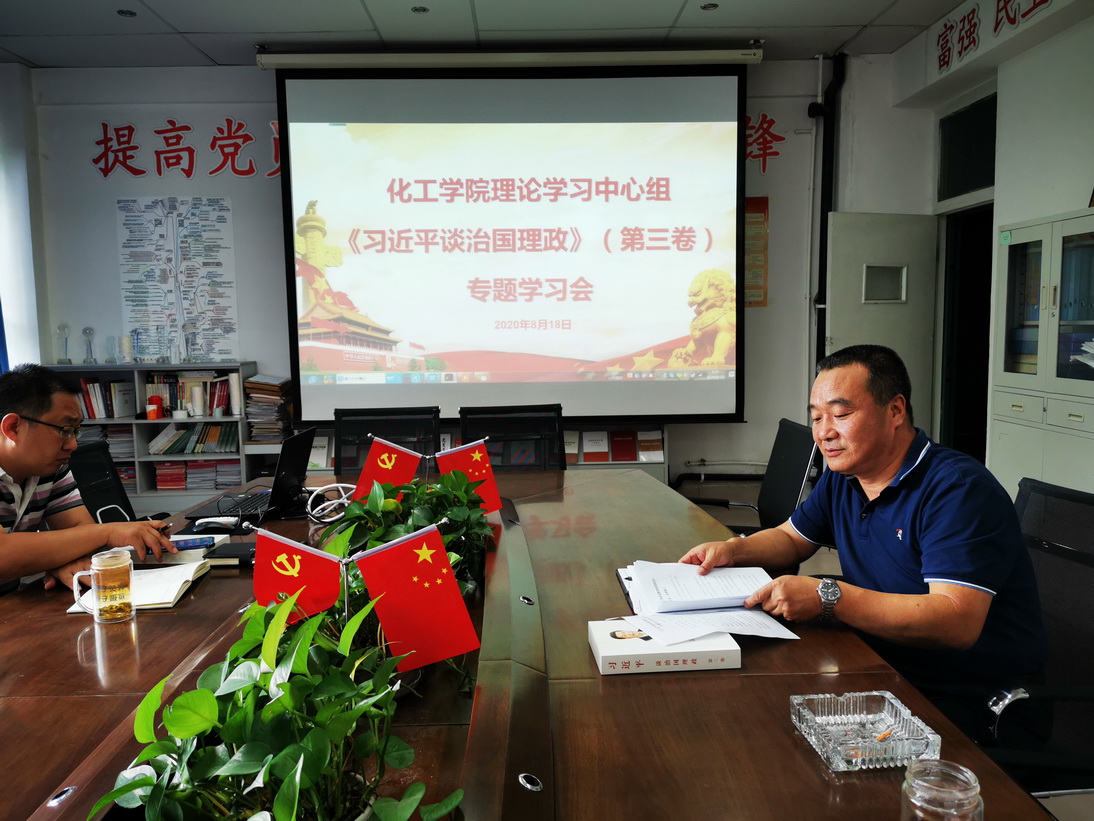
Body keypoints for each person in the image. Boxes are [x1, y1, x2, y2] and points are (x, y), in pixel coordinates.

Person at [679, 345, 1047, 742]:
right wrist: (734, 549)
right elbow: (790, 538)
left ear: (895, 411)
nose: (824, 432)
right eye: (817, 417)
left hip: (970, 700)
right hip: (883, 665)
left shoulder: (956, 490)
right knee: (743, 713)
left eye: (841, 414)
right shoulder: (845, 475)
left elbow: (955, 622)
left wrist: (828, 597)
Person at [0, 363, 175, 591]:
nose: (73, 444)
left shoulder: (48, 468)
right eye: (64, 430)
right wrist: (109, 532)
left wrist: (65, 558)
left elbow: (79, 528)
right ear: (13, 427)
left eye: (76, 431)